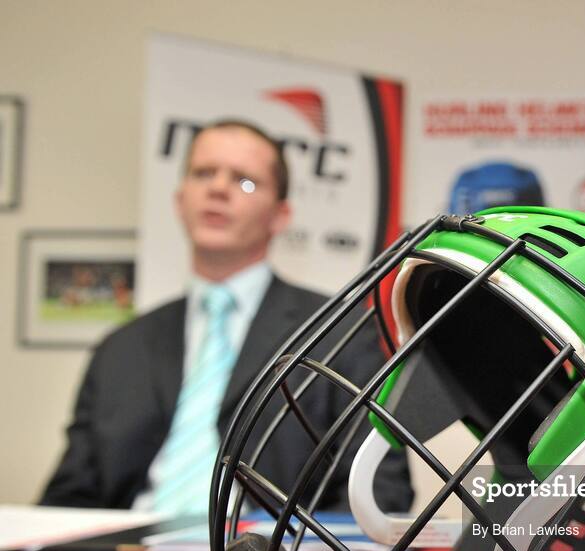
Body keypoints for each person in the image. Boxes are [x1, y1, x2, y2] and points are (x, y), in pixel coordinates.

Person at [40, 119, 412, 516]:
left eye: (245, 181)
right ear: (180, 199)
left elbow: (381, 494)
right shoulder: (120, 347)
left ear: (280, 215)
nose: (217, 188)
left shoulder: (338, 332)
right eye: (203, 173)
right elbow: (66, 501)